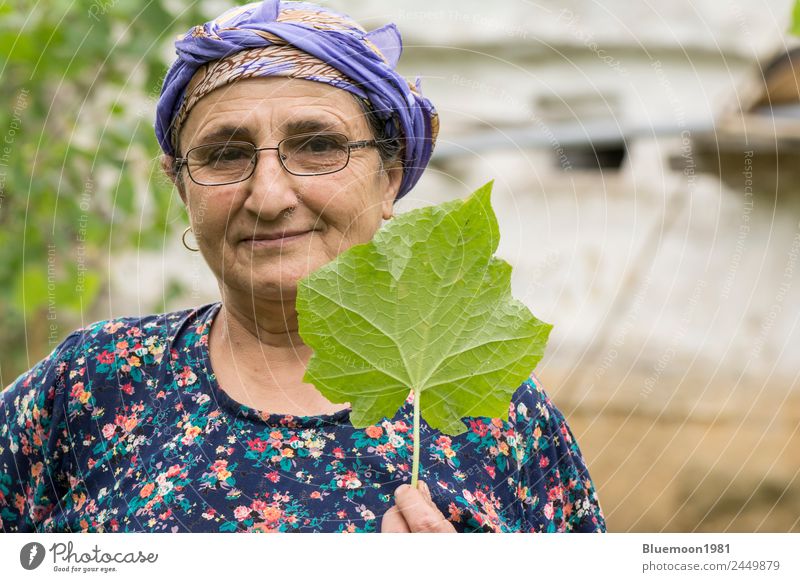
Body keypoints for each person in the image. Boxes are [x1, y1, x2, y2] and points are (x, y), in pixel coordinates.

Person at [0, 0, 606, 533]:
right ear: (182, 188)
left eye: (318, 145)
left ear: (389, 177)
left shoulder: (493, 410)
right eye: (224, 154)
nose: (268, 196)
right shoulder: (94, 385)